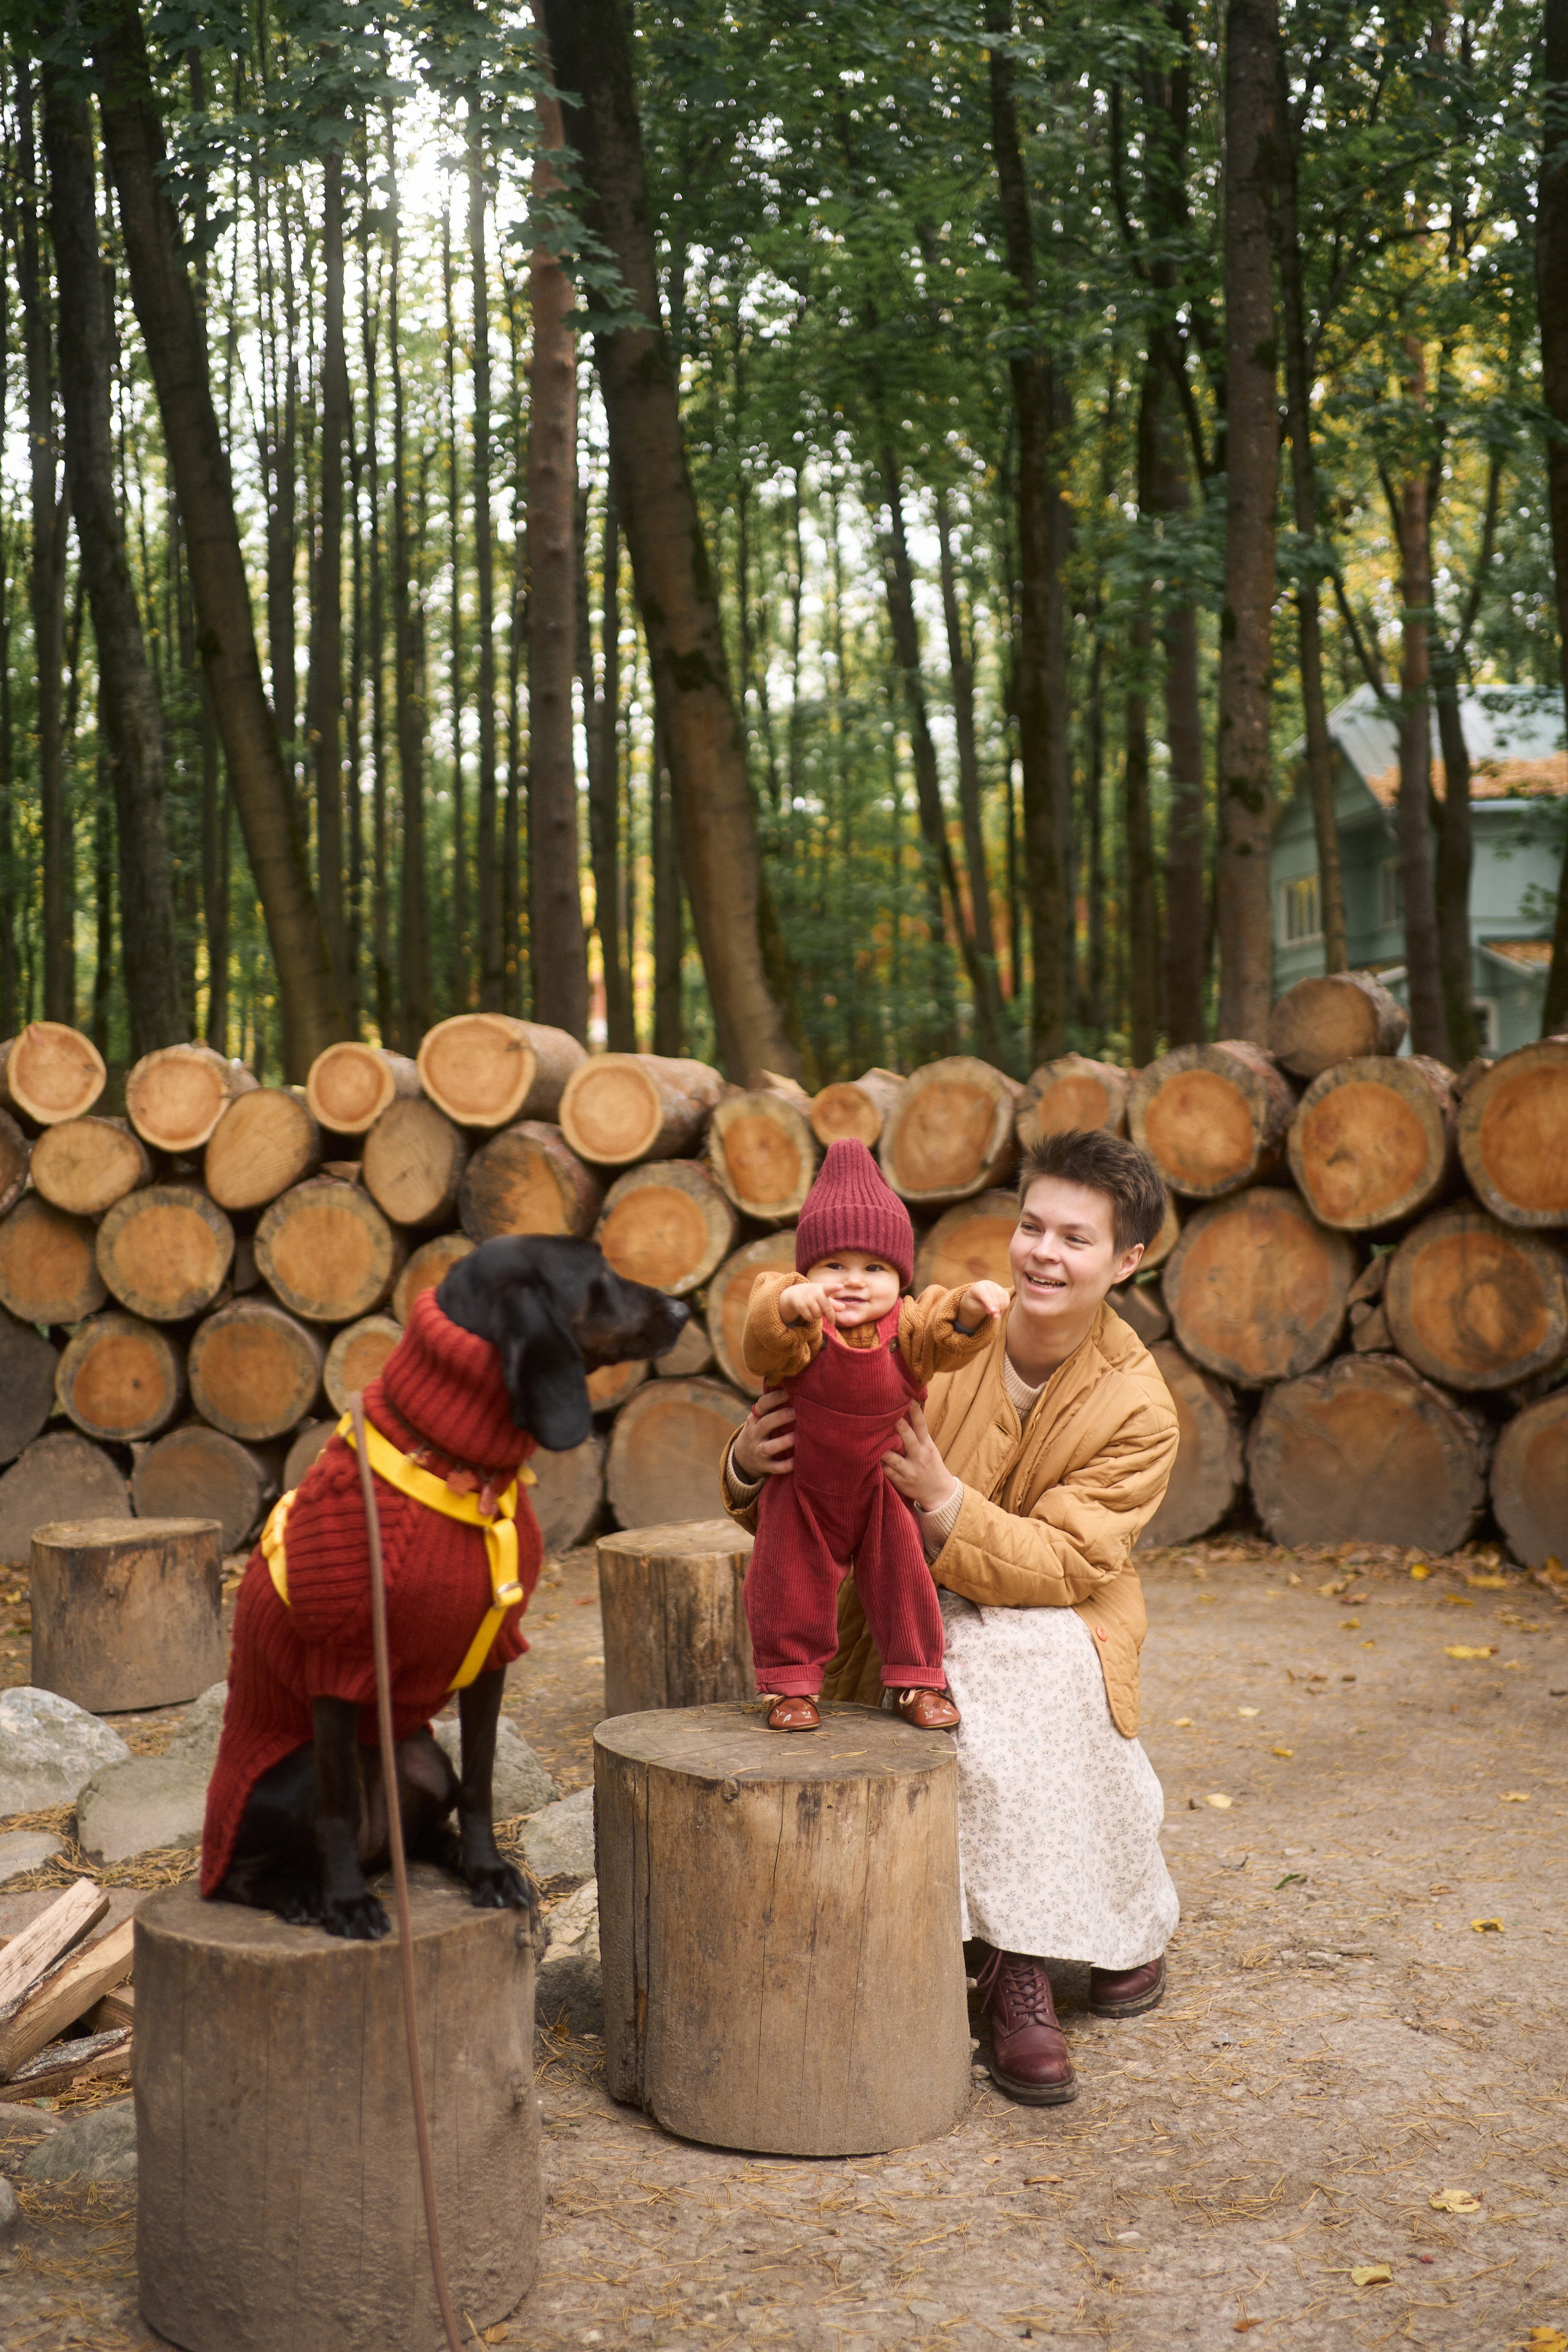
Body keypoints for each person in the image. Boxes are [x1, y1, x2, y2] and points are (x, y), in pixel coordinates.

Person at [722, 1126, 1181, 2107]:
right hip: (892, 1604)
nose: (1042, 1255)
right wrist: (742, 1462)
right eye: (1031, 1227)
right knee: (967, 1661)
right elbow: (816, 1456)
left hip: (1056, 1605)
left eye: (1077, 1238)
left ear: (1128, 1259)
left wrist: (943, 1499)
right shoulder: (932, 1326)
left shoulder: (1139, 1407)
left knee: (1026, 1662)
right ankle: (1034, 1938)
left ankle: (1015, 1957)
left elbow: (1068, 1560)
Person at [740, 1137, 1009, 1733]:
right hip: (802, 1486)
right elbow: (763, 1335)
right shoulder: (801, 1324)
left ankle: (917, 1680)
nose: (852, 1282)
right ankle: (789, 1686)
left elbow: (944, 1330)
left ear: (899, 1276)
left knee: (903, 1575)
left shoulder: (905, 1327)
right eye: (833, 1266)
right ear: (806, 1271)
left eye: (874, 1268)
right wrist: (789, 1304)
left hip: (879, 1483)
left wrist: (971, 1307)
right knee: (787, 1578)